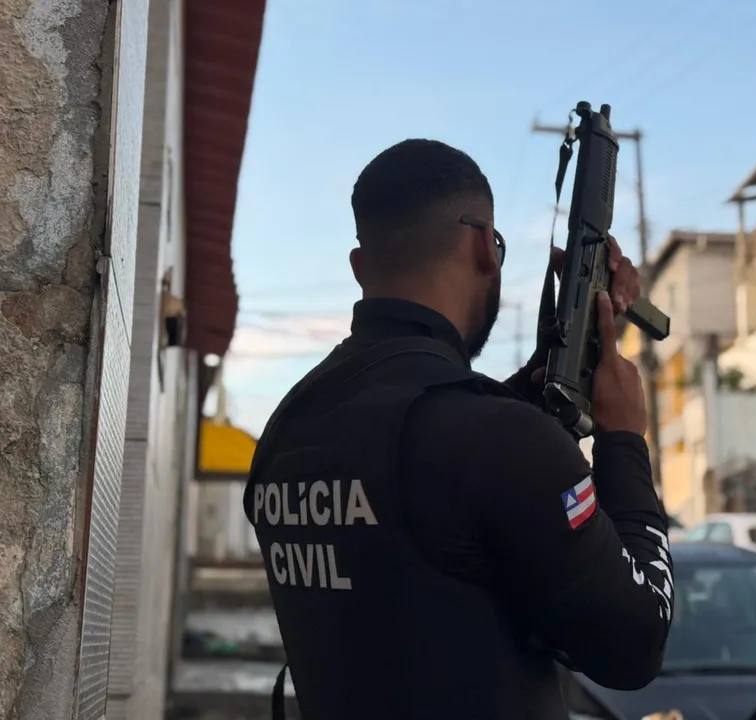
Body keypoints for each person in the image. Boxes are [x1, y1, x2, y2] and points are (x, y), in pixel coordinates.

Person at [244, 139, 673, 720]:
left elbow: (433, 511)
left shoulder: (290, 425)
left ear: (358, 268)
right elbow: (635, 646)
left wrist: (547, 380)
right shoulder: (491, 438)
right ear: (482, 245)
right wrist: (624, 442)